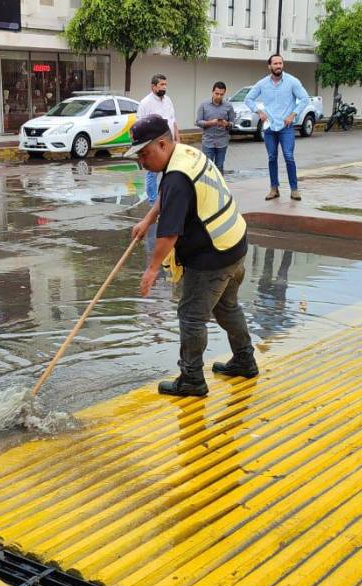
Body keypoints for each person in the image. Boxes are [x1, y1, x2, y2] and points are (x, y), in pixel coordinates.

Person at [127, 115, 256, 397]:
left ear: (162, 144)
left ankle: (192, 379)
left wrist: (151, 269)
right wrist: (148, 219)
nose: (141, 162)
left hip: (213, 254)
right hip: (235, 242)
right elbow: (168, 195)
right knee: (226, 307)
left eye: (144, 154)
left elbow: (169, 234)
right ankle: (245, 360)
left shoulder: (177, 177)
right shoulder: (184, 154)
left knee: (191, 316)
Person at [245, 54, 309, 201]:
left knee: (289, 156)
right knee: (272, 157)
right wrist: (259, 111)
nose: (278, 66)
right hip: (269, 127)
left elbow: (305, 99)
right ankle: (274, 189)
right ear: (269, 66)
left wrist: (293, 114)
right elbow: (248, 99)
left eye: (280, 63)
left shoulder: (292, 82)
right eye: (275, 63)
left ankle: (294, 190)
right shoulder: (262, 84)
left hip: (286, 126)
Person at [137, 74, 180, 207]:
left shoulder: (168, 100)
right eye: (161, 85)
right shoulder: (145, 103)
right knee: (152, 173)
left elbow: (173, 121)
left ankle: (166, 200)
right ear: (153, 86)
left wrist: (177, 139)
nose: (164, 87)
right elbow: (140, 125)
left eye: (165, 85)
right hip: (154, 145)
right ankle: (153, 203)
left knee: (170, 172)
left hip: (169, 143)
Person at [196, 81, 236, 173]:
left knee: (219, 168)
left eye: (221, 94)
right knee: (207, 169)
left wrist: (227, 124)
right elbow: (198, 122)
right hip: (208, 142)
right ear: (212, 92)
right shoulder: (203, 105)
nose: (218, 96)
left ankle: (219, 182)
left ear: (224, 94)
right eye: (216, 93)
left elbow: (233, 123)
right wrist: (210, 123)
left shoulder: (228, 106)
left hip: (222, 142)